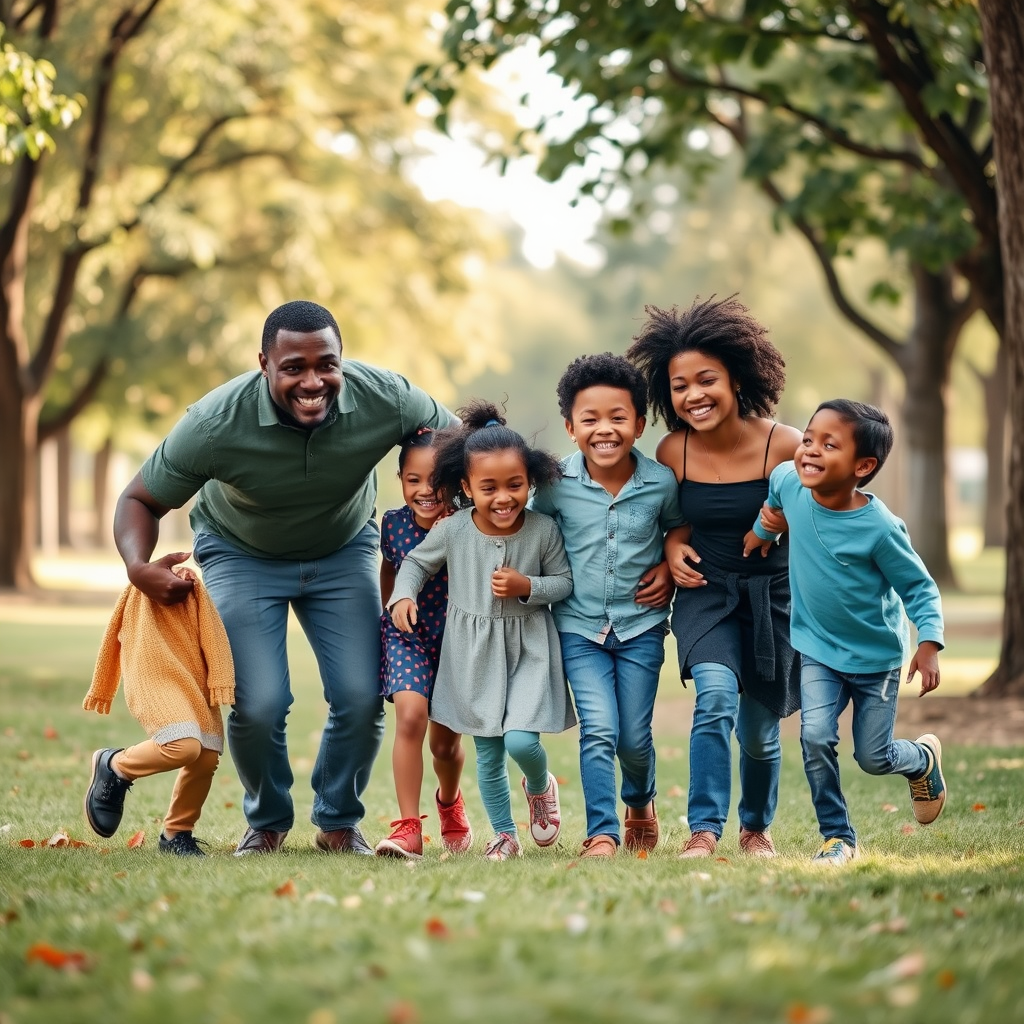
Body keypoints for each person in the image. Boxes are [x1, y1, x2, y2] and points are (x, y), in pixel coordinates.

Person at [111, 299, 456, 857]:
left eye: (327, 364)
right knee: (261, 703)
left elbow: (469, 445)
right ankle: (267, 822)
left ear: (343, 361)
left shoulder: (386, 396)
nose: (313, 380)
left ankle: (338, 822)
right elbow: (139, 499)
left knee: (362, 694)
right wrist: (137, 565)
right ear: (264, 365)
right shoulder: (214, 423)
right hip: (242, 554)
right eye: (294, 367)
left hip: (343, 549)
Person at [626, 296, 803, 859]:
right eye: (680, 386)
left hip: (772, 597)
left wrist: (778, 523)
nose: (693, 395)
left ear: (737, 377)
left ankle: (755, 828)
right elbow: (674, 522)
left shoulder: (786, 445)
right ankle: (703, 830)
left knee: (758, 730)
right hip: (707, 594)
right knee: (716, 698)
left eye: (707, 380)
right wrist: (674, 550)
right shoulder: (672, 449)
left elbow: (823, 519)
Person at [747, 399, 946, 865]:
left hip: (876, 657)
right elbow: (775, 504)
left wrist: (930, 644)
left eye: (828, 445)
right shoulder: (788, 481)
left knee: (873, 758)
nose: (810, 450)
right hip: (817, 648)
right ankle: (838, 836)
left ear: (863, 466)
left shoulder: (879, 528)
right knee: (815, 736)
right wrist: (762, 531)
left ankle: (920, 760)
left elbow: (919, 588)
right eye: (809, 438)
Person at [388, 400, 575, 861]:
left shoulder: (543, 530)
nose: (503, 497)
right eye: (488, 487)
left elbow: (565, 583)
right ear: (466, 486)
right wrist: (403, 595)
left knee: (520, 740)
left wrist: (527, 585)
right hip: (472, 653)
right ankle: (504, 835)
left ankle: (539, 785)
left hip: (529, 647)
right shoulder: (453, 531)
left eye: (515, 485)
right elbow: (415, 563)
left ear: (529, 481)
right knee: (489, 754)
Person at [531, 353, 685, 858]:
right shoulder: (554, 485)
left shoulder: (660, 482)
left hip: (641, 627)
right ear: (570, 427)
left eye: (618, 417)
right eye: (590, 419)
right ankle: (602, 831)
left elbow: (678, 527)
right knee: (599, 729)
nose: (605, 429)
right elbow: (533, 533)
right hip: (578, 628)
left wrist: (668, 562)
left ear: (639, 424)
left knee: (634, 738)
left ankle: (639, 800)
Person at [83, 566, 234, 857]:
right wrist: (102, 687)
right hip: (152, 673)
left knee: (206, 756)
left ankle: (176, 834)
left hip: (192, 676)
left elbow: (215, 639)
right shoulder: (137, 595)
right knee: (182, 746)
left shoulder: (195, 591)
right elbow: (112, 637)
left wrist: (221, 681)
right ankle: (116, 765)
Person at [375, 427, 472, 859]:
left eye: (435, 481)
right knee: (411, 717)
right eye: (413, 480)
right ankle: (408, 828)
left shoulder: (469, 522)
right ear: (400, 481)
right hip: (408, 637)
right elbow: (389, 570)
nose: (425, 491)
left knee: (444, 745)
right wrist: (392, 607)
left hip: (456, 639)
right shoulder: (393, 524)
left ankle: (450, 802)